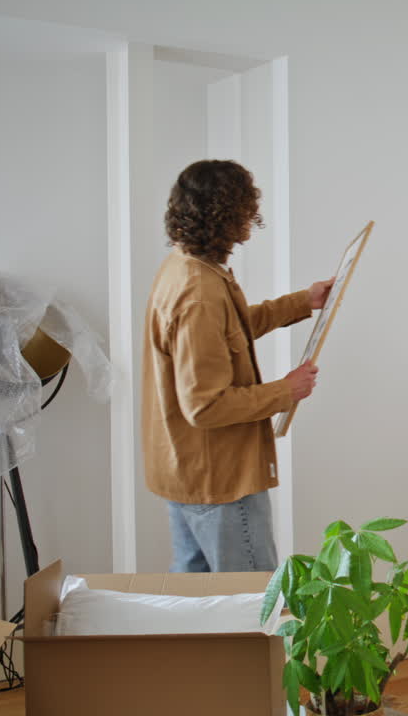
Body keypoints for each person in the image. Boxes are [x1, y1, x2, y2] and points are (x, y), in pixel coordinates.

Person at [143, 160, 332, 573]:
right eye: (248, 210)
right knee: (252, 609)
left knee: (201, 612)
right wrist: (287, 390)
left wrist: (304, 301)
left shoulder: (185, 268)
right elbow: (206, 405)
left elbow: (225, 332)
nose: (252, 219)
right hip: (220, 482)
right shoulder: (200, 291)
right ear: (232, 216)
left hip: (188, 474)